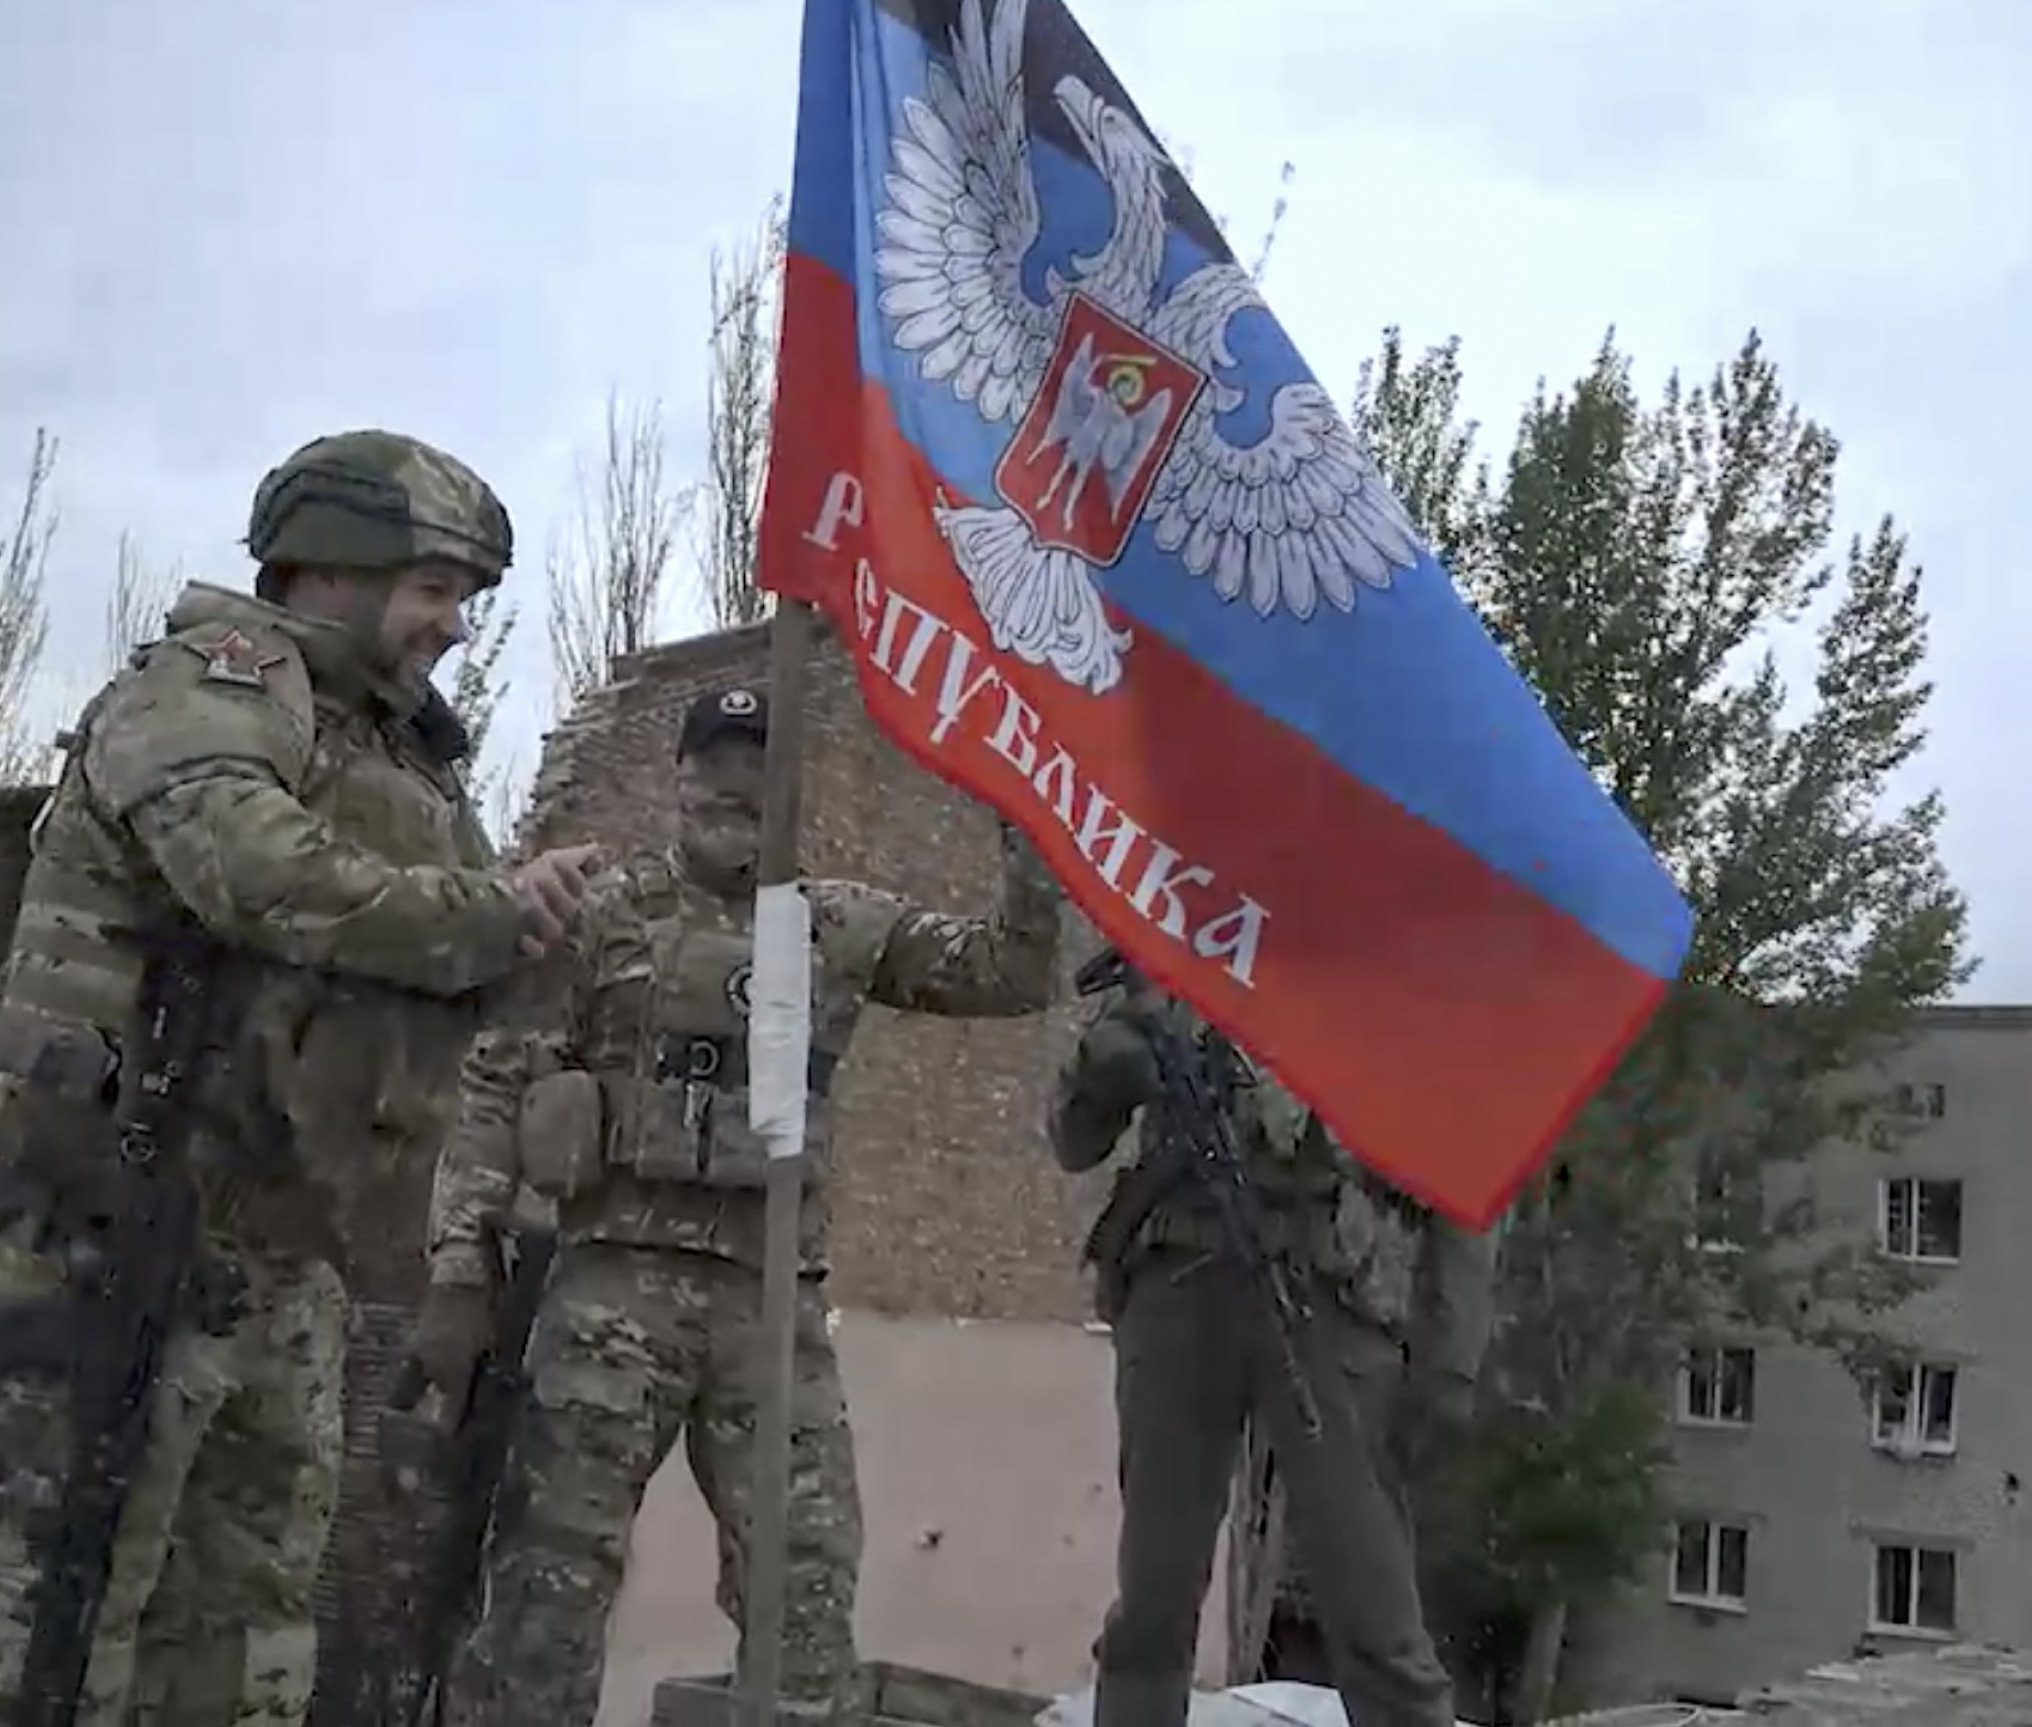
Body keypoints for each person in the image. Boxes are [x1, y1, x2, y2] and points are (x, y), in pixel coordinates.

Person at [0, 428, 601, 1727]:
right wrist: (487, 914)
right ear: (336, 568)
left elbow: (454, 951)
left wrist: (539, 922)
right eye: (435, 588)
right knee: (49, 1638)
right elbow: (263, 875)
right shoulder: (204, 689)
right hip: (105, 1224)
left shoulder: (407, 762)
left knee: (244, 1641)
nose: (453, 626)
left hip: (281, 1252)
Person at [421, 682, 1065, 1727]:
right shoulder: (601, 914)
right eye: (715, 762)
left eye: (759, 762)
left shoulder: (840, 926)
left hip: (771, 1302)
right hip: (613, 1290)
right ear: (679, 778)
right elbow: (495, 1086)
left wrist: (1023, 819)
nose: (734, 782)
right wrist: (459, 1266)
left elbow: (1012, 970)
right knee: (547, 1591)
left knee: (805, 1591)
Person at [1052, 950, 1496, 1727]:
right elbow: (1073, 1139)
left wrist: (1452, 1359)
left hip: (1328, 1301)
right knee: (1153, 1602)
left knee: (1372, 1606)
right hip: (1182, 1285)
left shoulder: (1400, 972)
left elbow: (1465, 1174)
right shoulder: (1190, 943)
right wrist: (1109, 1060)